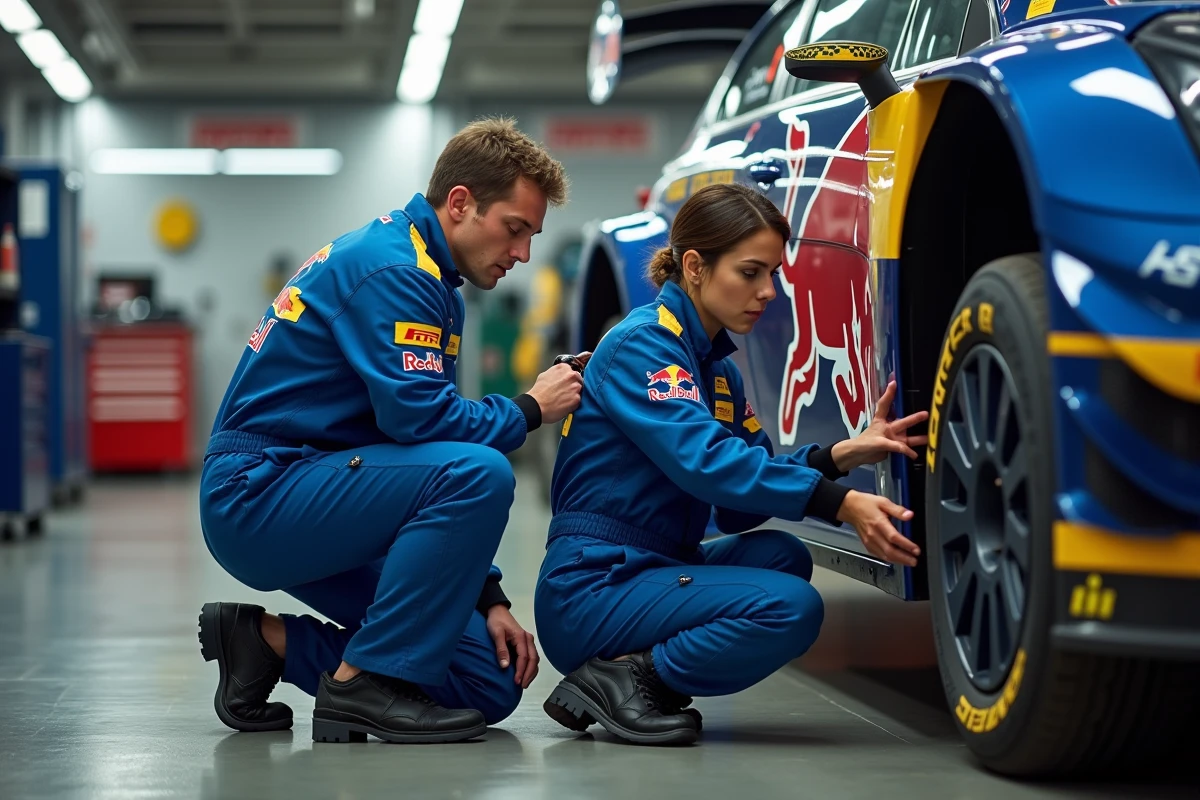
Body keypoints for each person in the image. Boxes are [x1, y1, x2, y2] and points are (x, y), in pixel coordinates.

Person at [197, 118, 581, 744]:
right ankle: (362, 685)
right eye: (514, 229)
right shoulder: (396, 270)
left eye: (532, 236)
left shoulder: (426, 271)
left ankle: (265, 644)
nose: (523, 254)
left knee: (487, 677)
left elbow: (427, 447)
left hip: (320, 491)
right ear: (460, 203)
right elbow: (423, 423)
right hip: (260, 493)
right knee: (480, 471)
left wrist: (488, 599)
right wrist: (530, 408)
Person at [533, 183, 927, 746]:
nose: (767, 291)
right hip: (593, 588)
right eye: (750, 273)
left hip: (651, 568)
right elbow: (706, 463)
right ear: (694, 266)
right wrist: (837, 503)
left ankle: (631, 672)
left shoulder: (717, 373)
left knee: (782, 557)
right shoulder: (643, 346)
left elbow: (737, 503)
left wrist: (838, 456)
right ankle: (630, 677)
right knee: (791, 608)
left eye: (772, 275)